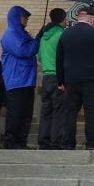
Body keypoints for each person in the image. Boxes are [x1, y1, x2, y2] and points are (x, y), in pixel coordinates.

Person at [56, 7, 94, 150]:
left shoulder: (66, 34)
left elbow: (59, 59)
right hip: (92, 81)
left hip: (71, 81)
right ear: (91, 19)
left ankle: (68, 143)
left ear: (78, 17)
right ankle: (91, 143)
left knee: (70, 113)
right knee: (91, 113)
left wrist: (60, 81)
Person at [0, 5, 39, 149]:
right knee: (15, 114)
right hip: (16, 81)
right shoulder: (10, 34)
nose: (27, 19)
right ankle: (11, 142)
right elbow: (23, 51)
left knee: (25, 115)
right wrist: (37, 40)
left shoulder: (22, 34)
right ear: (16, 17)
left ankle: (21, 142)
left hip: (27, 80)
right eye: (24, 17)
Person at [37, 8, 67, 150]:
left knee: (46, 111)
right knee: (58, 110)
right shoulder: (61, 34)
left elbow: (40, 58)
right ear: (62, 19)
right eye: (65, 18)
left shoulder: (43, 36)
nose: (66, 21)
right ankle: (56, 142)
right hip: (58, 77)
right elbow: (66, 58)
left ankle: (43, 141)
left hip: (46, 77)